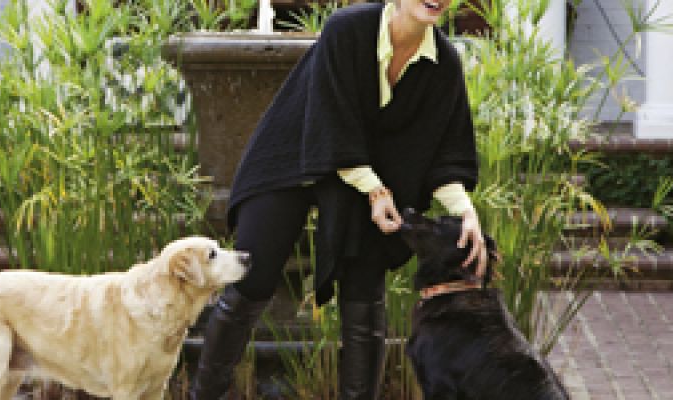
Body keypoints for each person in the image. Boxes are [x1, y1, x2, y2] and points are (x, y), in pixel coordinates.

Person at [190, 0, 487, 398]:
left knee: (365, 287)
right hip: (293, 153)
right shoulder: (347, 30)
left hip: (366, 175)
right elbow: (330, 123)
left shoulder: (444, 64)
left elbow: (444, 153)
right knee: (252, 277)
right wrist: (375, 191)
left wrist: (466, 211)